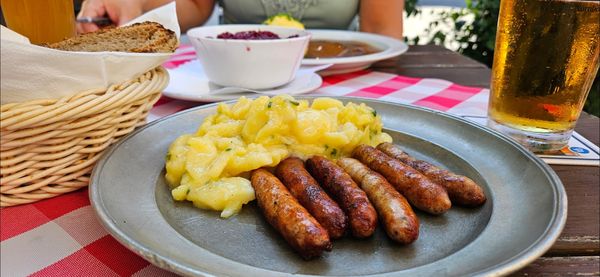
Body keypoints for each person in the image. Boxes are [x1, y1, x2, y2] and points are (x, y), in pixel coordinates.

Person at [77, 0, 404, 39]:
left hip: (340, 82)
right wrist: (135, 3)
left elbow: (381, 32)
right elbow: (193, 6)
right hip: (236, 82)